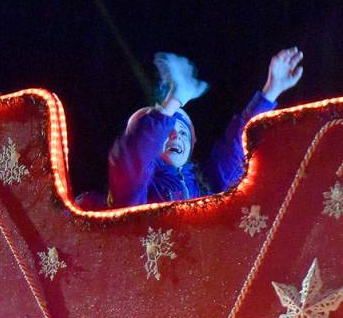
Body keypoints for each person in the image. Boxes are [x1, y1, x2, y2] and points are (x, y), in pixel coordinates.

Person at [105, 47, 304, 207]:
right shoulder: (136, 189)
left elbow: (235, 148)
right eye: (168, 130)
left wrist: (271, 91)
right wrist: (174, 101)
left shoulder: (208, 184)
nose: (176, 136)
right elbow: (133, 157)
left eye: (183, 132)